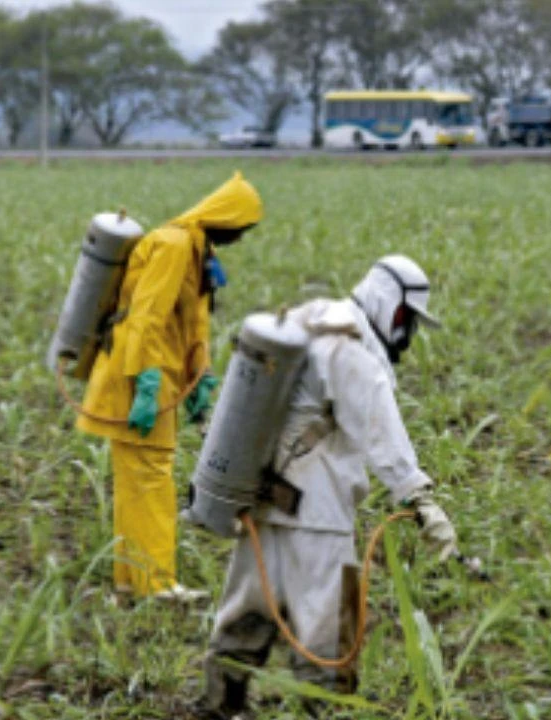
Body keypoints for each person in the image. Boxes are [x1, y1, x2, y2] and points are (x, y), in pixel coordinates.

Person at [197, 255, 459, 719]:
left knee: (247, 609)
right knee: (328, 627)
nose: (407, 335)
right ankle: (326, 710)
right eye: (407, 322)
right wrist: (420, 500)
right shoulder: (352, 351)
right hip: (318, 511)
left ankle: (221, 706)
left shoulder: (310, 318)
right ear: (391, 306)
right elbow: (382, 432)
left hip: (261, 500)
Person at [78, 172, 262, 601]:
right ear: (226, 218)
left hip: (154, 375)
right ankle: (157, 583)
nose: (241, 236)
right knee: (152, 477)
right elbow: (146, 317)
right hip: (140, 375)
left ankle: (130, 582)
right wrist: (145, 383)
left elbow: (192, 323)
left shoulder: (197, 250)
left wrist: (201, 375)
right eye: (242, 227)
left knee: (136, 480)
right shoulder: (174, 245)